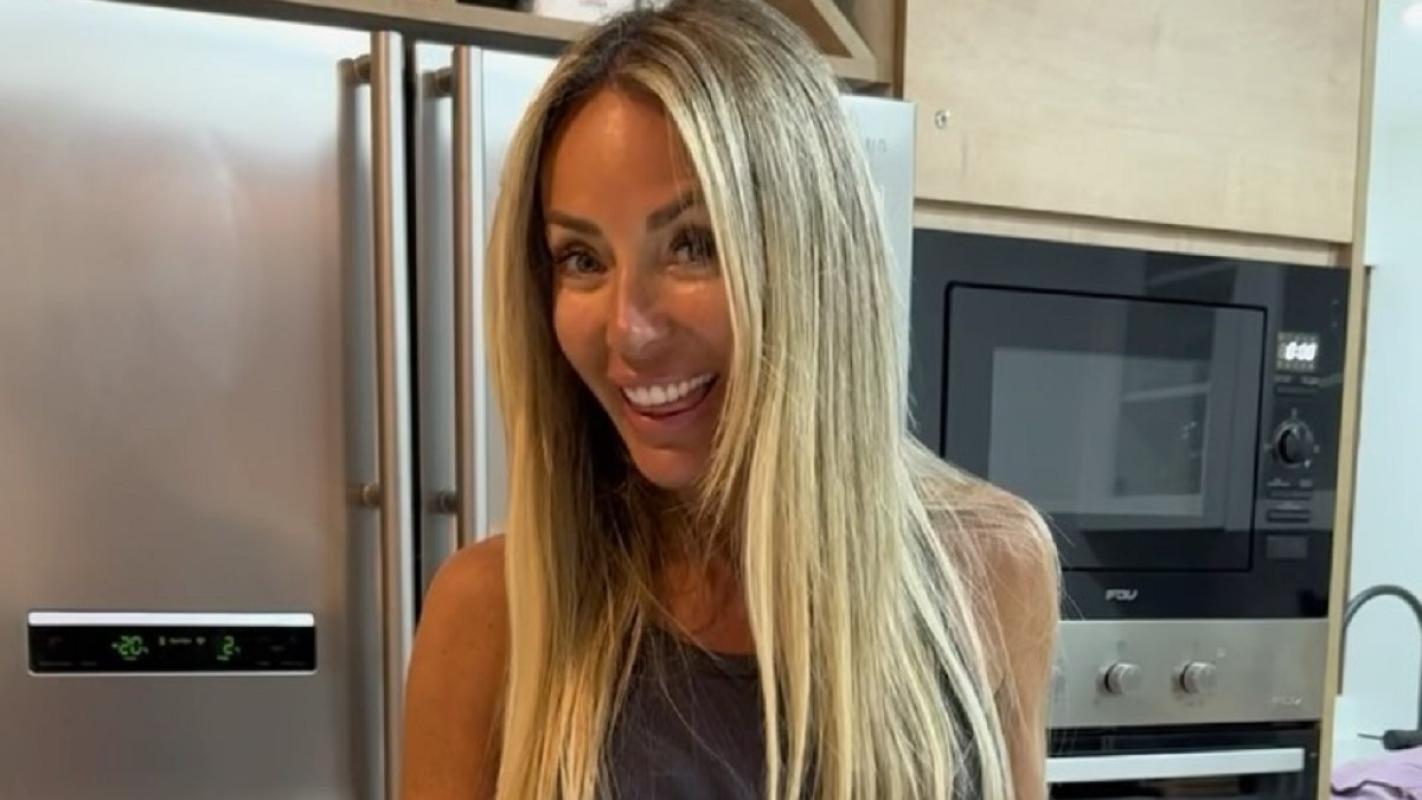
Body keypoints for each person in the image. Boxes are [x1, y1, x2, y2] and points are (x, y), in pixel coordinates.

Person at [401, 1, 1059, 797]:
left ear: (814, 260)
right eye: (582, 258)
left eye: (693, 245)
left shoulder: (992, 569)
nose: (629, 330)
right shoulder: (491, 616)